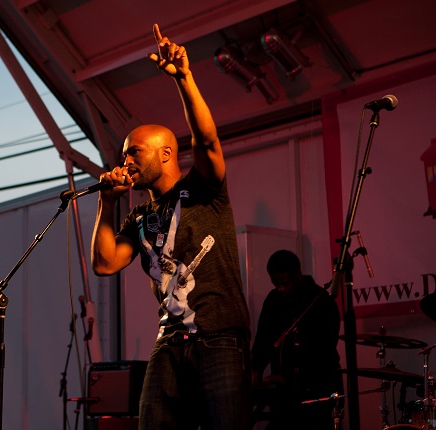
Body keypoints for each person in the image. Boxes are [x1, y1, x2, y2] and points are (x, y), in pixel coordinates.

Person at [91, 23, 252, 430]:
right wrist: (106, 203)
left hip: (218, 337)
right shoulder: (139, 217)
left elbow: (208, 142)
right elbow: (105, 263)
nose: (126, 161)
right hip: (169, 341)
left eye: (135, 153)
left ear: (165, 153)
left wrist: (184, 78)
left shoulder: (201, 189)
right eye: (124, 154)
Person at [250, 249, 342, 430]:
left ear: (298, 275)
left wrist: (288, 377)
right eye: (275, 284)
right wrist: (254, 370)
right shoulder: (274, 300)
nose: (280, 289)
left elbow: (324, 351)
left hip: (317, 392)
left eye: (285, 283)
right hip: (285, 397)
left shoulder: (320, 301)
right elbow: (263, 341)